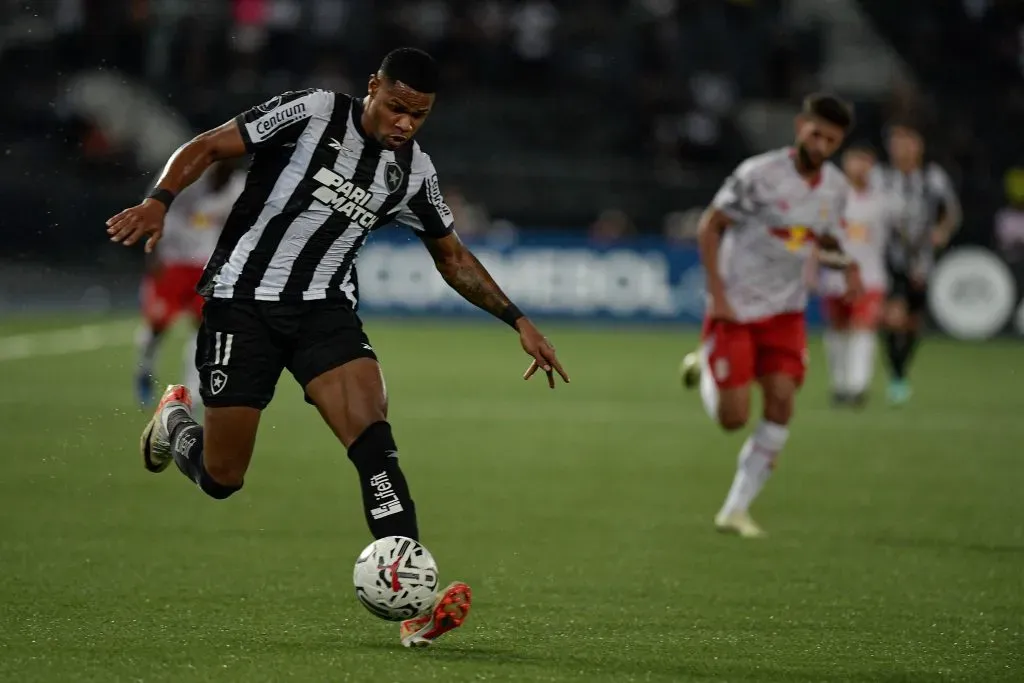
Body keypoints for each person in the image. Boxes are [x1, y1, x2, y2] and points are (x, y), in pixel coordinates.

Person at [105, 47, 569, 647]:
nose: (405, 123)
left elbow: (451, 256)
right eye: (398, 107)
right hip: (241, 304)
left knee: (374, 440)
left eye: (419, 115)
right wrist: (158, 200)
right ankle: (175, 420)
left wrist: (518, 320)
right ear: (373, 87)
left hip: (325, 311)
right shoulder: (313, 111)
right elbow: (209, 145)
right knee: (223, 477)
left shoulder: (412, 172)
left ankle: (414, 611)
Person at [678, 93, 862, 538]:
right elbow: (710, 225)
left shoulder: (835, 189)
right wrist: (716, 295)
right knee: (733, 419)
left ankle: (736, 509)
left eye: (830, 140)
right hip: (737, 308)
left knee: (782, 398)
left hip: (786, 311)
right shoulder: (758, 175)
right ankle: (705, 365)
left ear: (838, 144)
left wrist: (848, 263)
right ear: (801, 127)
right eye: (815, 133)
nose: (820, 145)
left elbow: (827, 238)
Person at [136, 160, 245, 408]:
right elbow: (153, 207)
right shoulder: (187, 176)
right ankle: (144, 369)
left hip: (205, 266)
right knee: (158, 324)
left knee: (203, 327)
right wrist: (151, 254)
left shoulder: (238, 186)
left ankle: (192, 392)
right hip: (172, 261)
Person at [877, 122, 961, 405]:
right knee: (893, 317)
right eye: (895, 143)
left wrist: (942, 232)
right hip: (887, 258)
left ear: (918, 147)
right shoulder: (881, 177)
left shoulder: (932, 177)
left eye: (906, 143)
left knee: (913, 321)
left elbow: (950, 212)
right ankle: (896, 375)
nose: (899, 149)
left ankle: (900, 371)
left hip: (921, 260)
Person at [816, 143, 889, 408]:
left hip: (869, 277)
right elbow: (819, 238)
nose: (859, 166)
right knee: (837, 330)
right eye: (854, 160)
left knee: (862, 328)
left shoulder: (882, 200)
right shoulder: (832, 198)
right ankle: (839, 384)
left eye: (864, 160)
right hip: (835, 277)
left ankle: (858, 386)